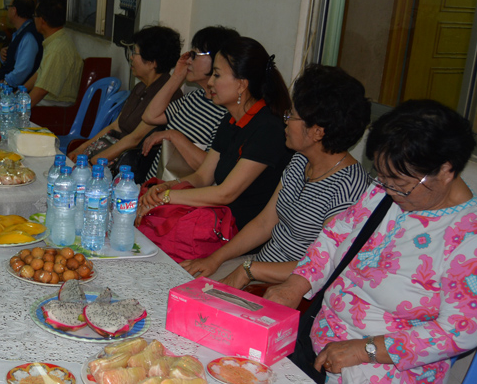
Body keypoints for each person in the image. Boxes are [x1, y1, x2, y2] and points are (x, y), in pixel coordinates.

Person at [265, 100, 477, 384]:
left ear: (446, 170)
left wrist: (364, 349)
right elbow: (336, 236)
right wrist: (297, 283)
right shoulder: (386, 192)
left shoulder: (474, 237)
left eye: (400, 183)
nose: (388, 188)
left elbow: (459, 331)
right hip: (314, 344)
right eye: (383, 177)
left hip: (381, 383)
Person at [182, 64, 371, 285]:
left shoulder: (350, 188)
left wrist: (249, 271)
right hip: (258, 265)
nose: (285, 121)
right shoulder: (300, 159)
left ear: (317, 132)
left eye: (292, 116)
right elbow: (265, 223)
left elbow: (324, 266)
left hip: (289, 285)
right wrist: (215, 259)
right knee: (184, 281)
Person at [135, 37, 292, 261]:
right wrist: (167, 187)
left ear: (241, 84)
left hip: (240, 242)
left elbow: (224, 193)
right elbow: (202, 176)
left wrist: (168, 197)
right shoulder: (230, 120)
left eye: (217, 75)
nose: (210, 83)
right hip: (216, 227)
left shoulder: (267, 129)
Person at [68, 25, 182, 170]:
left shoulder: (168, 95)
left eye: (135, 53)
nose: (131, 57)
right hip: (109, 151)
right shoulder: (140, 87)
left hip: (129, 163)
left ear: (152, 63)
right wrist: (82, 148)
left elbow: (135, 139)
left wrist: (93, 162)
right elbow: (115, 125)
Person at [139, 26, 241, 179]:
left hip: (179, 191)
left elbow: (209, 169)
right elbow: (150, 116)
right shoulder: (193, 97)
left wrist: (173, 135)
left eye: (194, 55)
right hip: (154, 185)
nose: (188, 60)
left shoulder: (227, 113)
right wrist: (177, 76)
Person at [23, 0, 82, 107]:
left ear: (42, 20)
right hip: (49, 102)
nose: (34, 19)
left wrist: (17, 110)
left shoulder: (57, 49)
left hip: (56, 107)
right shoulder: (56, 40)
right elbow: (39, 74)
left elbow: (41, 90)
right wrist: (18, 93)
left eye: (35, 16)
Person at [0, 0, 43, 87]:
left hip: (17, 91)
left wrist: (4, 84)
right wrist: (4, 55)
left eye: (8, 7)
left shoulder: (28, 36)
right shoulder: (20, 31)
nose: (7, 11)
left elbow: (22, 71)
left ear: (14, 10)